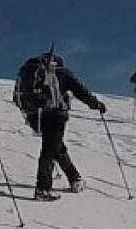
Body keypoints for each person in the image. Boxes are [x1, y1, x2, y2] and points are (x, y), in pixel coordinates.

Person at [14, 52, 106, 200]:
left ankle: (74, 178)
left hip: (36, 116)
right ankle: (43, 189)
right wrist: (96, 104)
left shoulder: (29, 72)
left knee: (56, 146)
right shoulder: (62, 73)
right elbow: (81, 91)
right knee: (49, 150)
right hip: (56, 115)